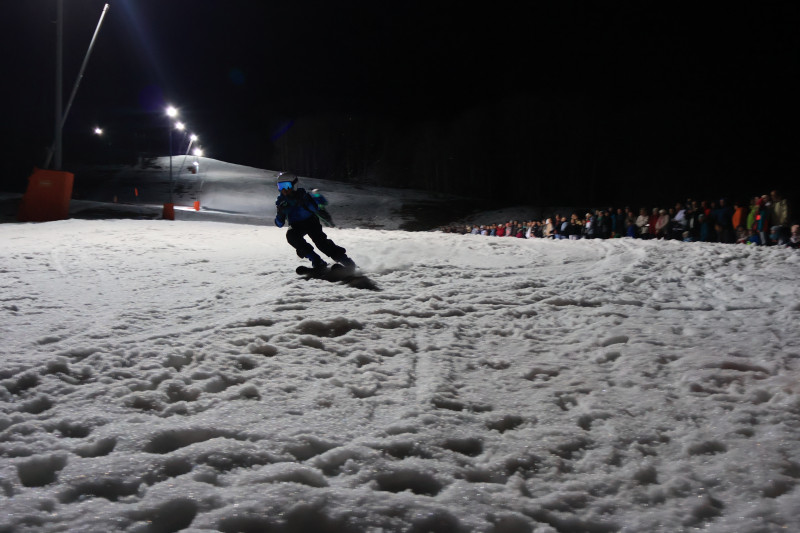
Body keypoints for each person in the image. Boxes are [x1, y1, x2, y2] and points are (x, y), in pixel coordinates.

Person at [274, 172, 356, 271]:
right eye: (280, 186)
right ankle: (317, 261)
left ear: (294, 185)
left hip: (311, 222)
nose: (284, 190)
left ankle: (346, 261)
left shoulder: (303, 196)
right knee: (292, 237)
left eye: (286, 186)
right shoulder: (281, 202)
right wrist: (281, 213)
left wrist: (306, 202)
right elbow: (279, 224)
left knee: (321, 243)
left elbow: (317, 208)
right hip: (296, 225)